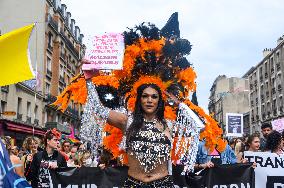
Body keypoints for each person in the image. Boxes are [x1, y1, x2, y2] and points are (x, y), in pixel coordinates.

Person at [52, 13, 226, 187]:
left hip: (163, 184)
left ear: (160, 100)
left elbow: (199, 126)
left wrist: (178, 102)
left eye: (154, 96)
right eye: (145, 96)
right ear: (139, 99)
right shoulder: (127, 121)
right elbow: (98, 109)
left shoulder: (169, 125)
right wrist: (90, 80)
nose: (149, 100)